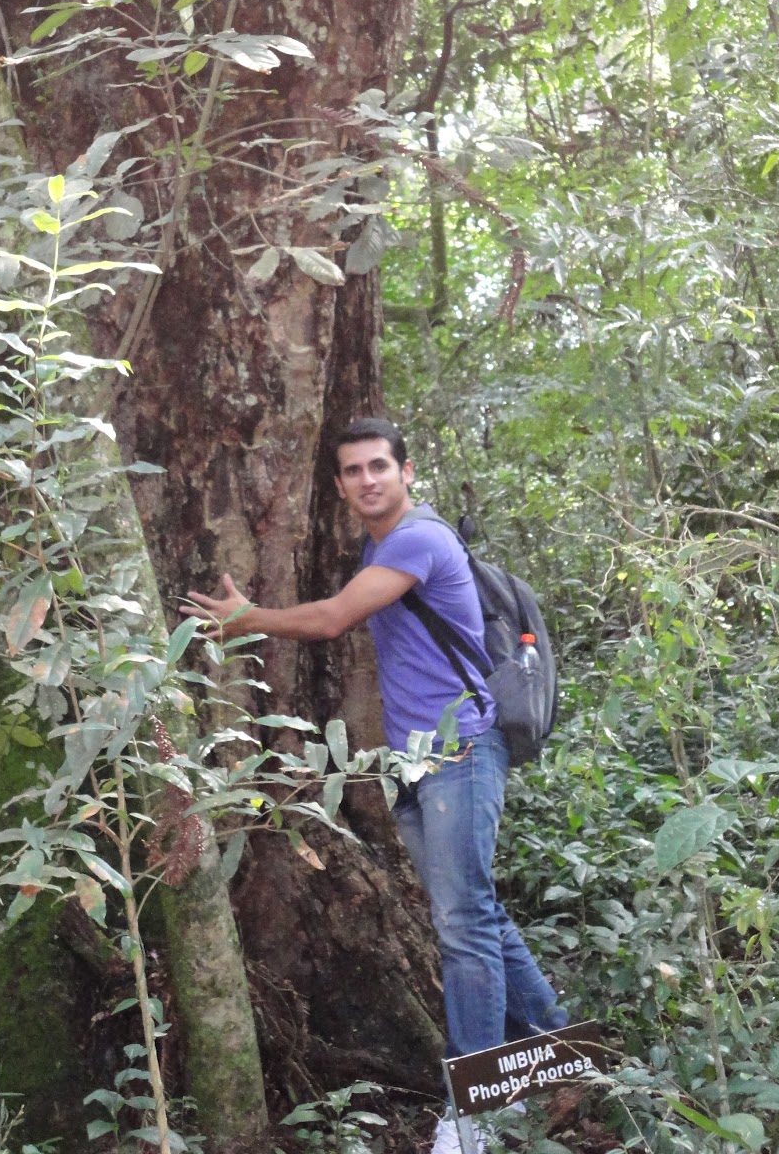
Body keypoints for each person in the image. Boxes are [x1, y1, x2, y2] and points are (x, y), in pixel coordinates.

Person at [184, 417, 567, 1154]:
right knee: (475, 914)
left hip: (461, 750)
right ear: (339, 484)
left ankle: (474, 1111)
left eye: (379, 466)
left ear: (406, 471)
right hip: (414, 762)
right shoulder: (380, 547)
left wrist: (245, 620)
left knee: (462, 926)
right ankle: (560, 1049)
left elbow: (333, 620)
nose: (367, 480)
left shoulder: (419, 539)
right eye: (353, 471)